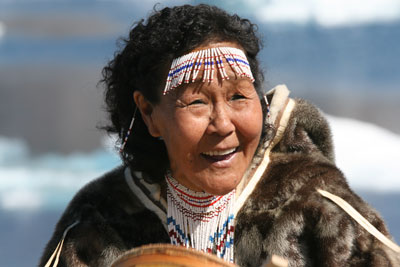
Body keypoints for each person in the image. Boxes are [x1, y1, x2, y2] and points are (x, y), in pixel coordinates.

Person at [40, 4, 399, 267]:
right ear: (149, 114)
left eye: (239, 96)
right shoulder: (100, 222)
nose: (224, 124)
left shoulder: (314, 205)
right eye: (196, 102)